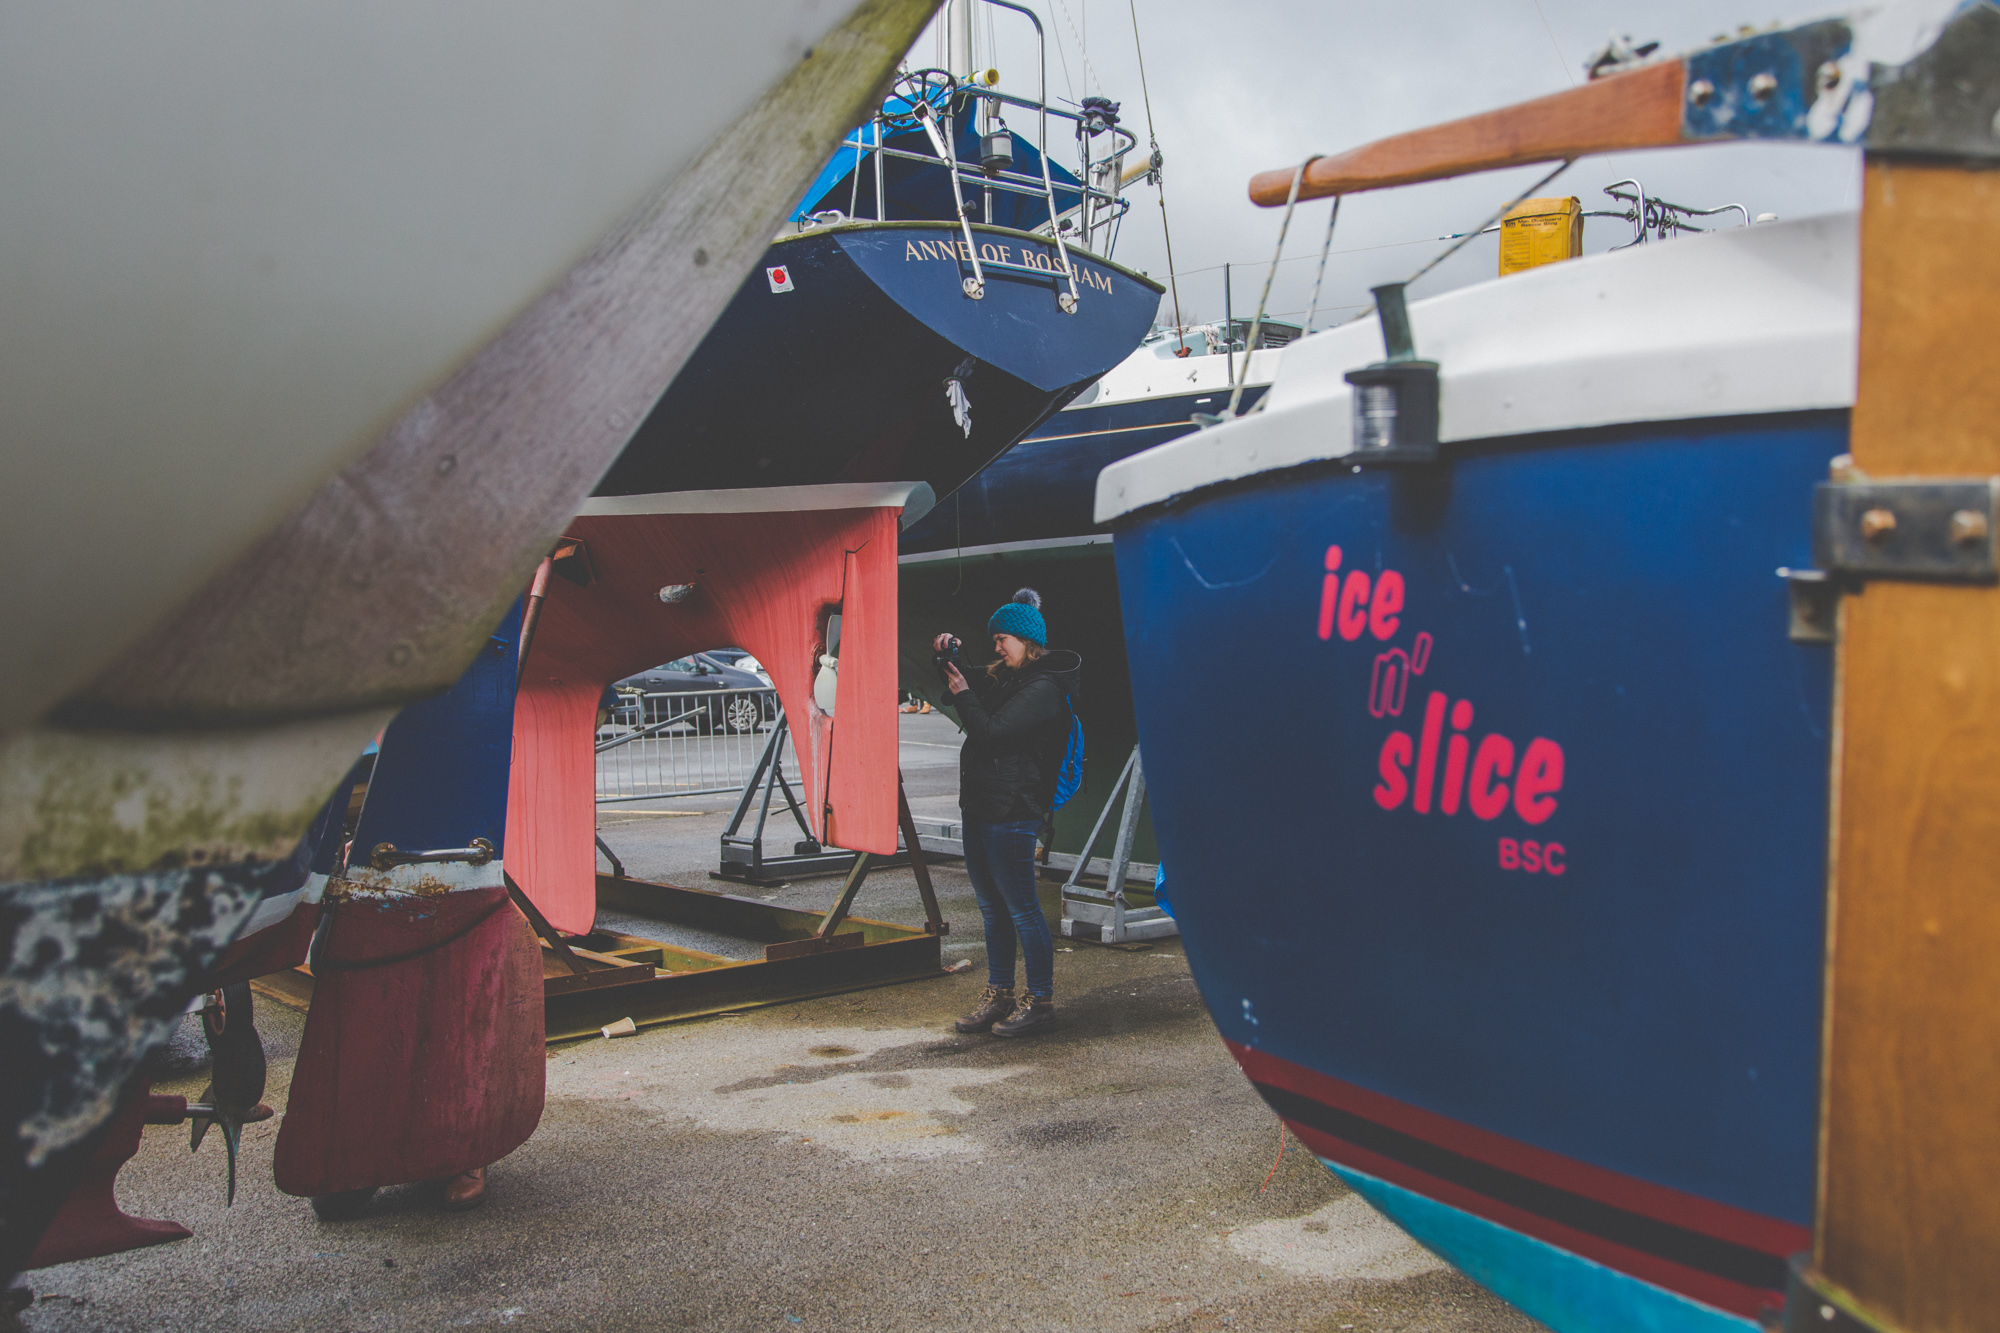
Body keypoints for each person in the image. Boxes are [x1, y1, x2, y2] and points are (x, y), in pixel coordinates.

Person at [933, 588, 1081, 1038]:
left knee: (1022, 910)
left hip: (1014, 812)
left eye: (1003, 639)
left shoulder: (1042, 688)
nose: (996, 647)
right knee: (992, 910)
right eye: (995, 639)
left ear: (1026, 640)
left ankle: (1041, 1001)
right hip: (981, 807)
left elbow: (992, 733)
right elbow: (970, 677)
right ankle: (999, 995)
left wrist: (961, 693)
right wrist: (947, 655)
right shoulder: (1007, 677)